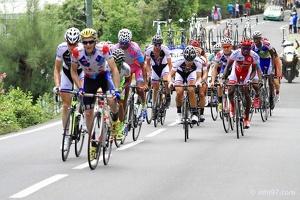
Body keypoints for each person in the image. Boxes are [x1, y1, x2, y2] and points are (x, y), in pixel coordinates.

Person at [70, 28, 121, 159]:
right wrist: (80, 87)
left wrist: (116, 89)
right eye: (85, 42)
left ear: (95, 41)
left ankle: (115, 119)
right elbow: (73, 72)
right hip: (89, 79)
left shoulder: (103, 49)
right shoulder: (76, 52)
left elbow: (114, 69)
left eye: (90, 42)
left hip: (103, 77)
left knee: (111, 100)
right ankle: (93, 141)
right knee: (88, 112)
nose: (87, 45)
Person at [53, 27, 85, 151]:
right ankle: (66, 135)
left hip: (81, 72)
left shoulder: (83, 49)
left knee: (83, 92)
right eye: (69, 44)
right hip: (67, 72)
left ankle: (83, 114)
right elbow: (56, 69)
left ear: (78, 43)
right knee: (66, 105)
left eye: (74, 44)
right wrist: (57, 85)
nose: (72, 47)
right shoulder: (61, 48)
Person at [111, 28, 148, 121]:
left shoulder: (135, 48)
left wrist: (146, 83)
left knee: (139, 89)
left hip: (136, 68)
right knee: (124, 96)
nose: (123, 45)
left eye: (126, 44)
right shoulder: (114, 48)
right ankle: (124, 117)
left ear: (130, 41)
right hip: (125, 69)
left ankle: (144, 106)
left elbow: (143, 66)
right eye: (121, 43)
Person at [223, 38, 260, 128]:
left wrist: (250, 80)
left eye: (248, 49)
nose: (246, 51)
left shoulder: (254, 56)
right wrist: (224, 78)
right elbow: (228, 66)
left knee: (246, 94)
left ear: (251, 49)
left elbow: (254, 70)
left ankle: (246, 119)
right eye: (244, 48)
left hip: (246, 74)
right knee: (231, 90)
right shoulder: (235, 53)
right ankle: (232, 106)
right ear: (241, 47)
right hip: (235, 73)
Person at [168, 46, 206, 124]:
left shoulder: (198, 61)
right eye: (187, 61)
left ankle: (194, 113)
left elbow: (199, 77)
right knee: (179, 91)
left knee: (191, 89)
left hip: (191, 74)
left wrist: (198, 82)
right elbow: (170, 75)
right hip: (180, 73)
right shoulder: (179, 60)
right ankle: (179, 113)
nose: (189, 63)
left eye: (191, 61)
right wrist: (170, 82)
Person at [145, 35, 172, 116]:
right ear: (153, 44)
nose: (157, 46)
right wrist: (149, 73)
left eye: (159, 45)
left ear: (161, 44)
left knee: (166, 81)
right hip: (155, 68)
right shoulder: (149, 50)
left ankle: (167, 95)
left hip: (164, 66)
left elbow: (170, 64)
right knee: (155, 87)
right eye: (156, 45)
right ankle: (155, 106)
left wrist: (171, 75)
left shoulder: (165, 49)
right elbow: (147, 64)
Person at [251, 31, 276, 110]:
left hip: (268, 61)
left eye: (257, 39)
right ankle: (259, 94)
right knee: (258, 79)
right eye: (254, 39)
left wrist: (272, 70)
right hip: (260, 62)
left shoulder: (267, 44)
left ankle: (271, 97)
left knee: (270, 81)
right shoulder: (253, 46)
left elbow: (272, 56)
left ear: (260, 39)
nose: (256, 41)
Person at [110, 49, 131, 137]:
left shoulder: (126, 68)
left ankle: (121, 126)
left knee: (120, 104)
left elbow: (127, 82)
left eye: (119, 64)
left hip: (121, 83)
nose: (117, 66)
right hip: (109, 82)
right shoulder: (107, 66)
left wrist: (121, 88)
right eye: (115, 63)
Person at [211, 37, 234, 113]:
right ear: (222, 47)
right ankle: (220, 103)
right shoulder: (219, 54)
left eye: (228, 47)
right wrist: (213, 81)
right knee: (219, 85)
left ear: (231, 46)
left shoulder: (235, 54)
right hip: (223, 69)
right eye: (224, 47)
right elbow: (214, 68)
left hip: (233, 69)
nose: (226, 49)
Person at [188, 40, 208, 122]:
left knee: (201, 94)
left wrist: (203, 80)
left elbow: (205, 72)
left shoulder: (202, 59)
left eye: (197, 49)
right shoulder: (187, 56)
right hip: (190, 78)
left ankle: (202, 113)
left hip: (200, 77)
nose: (196, 51)